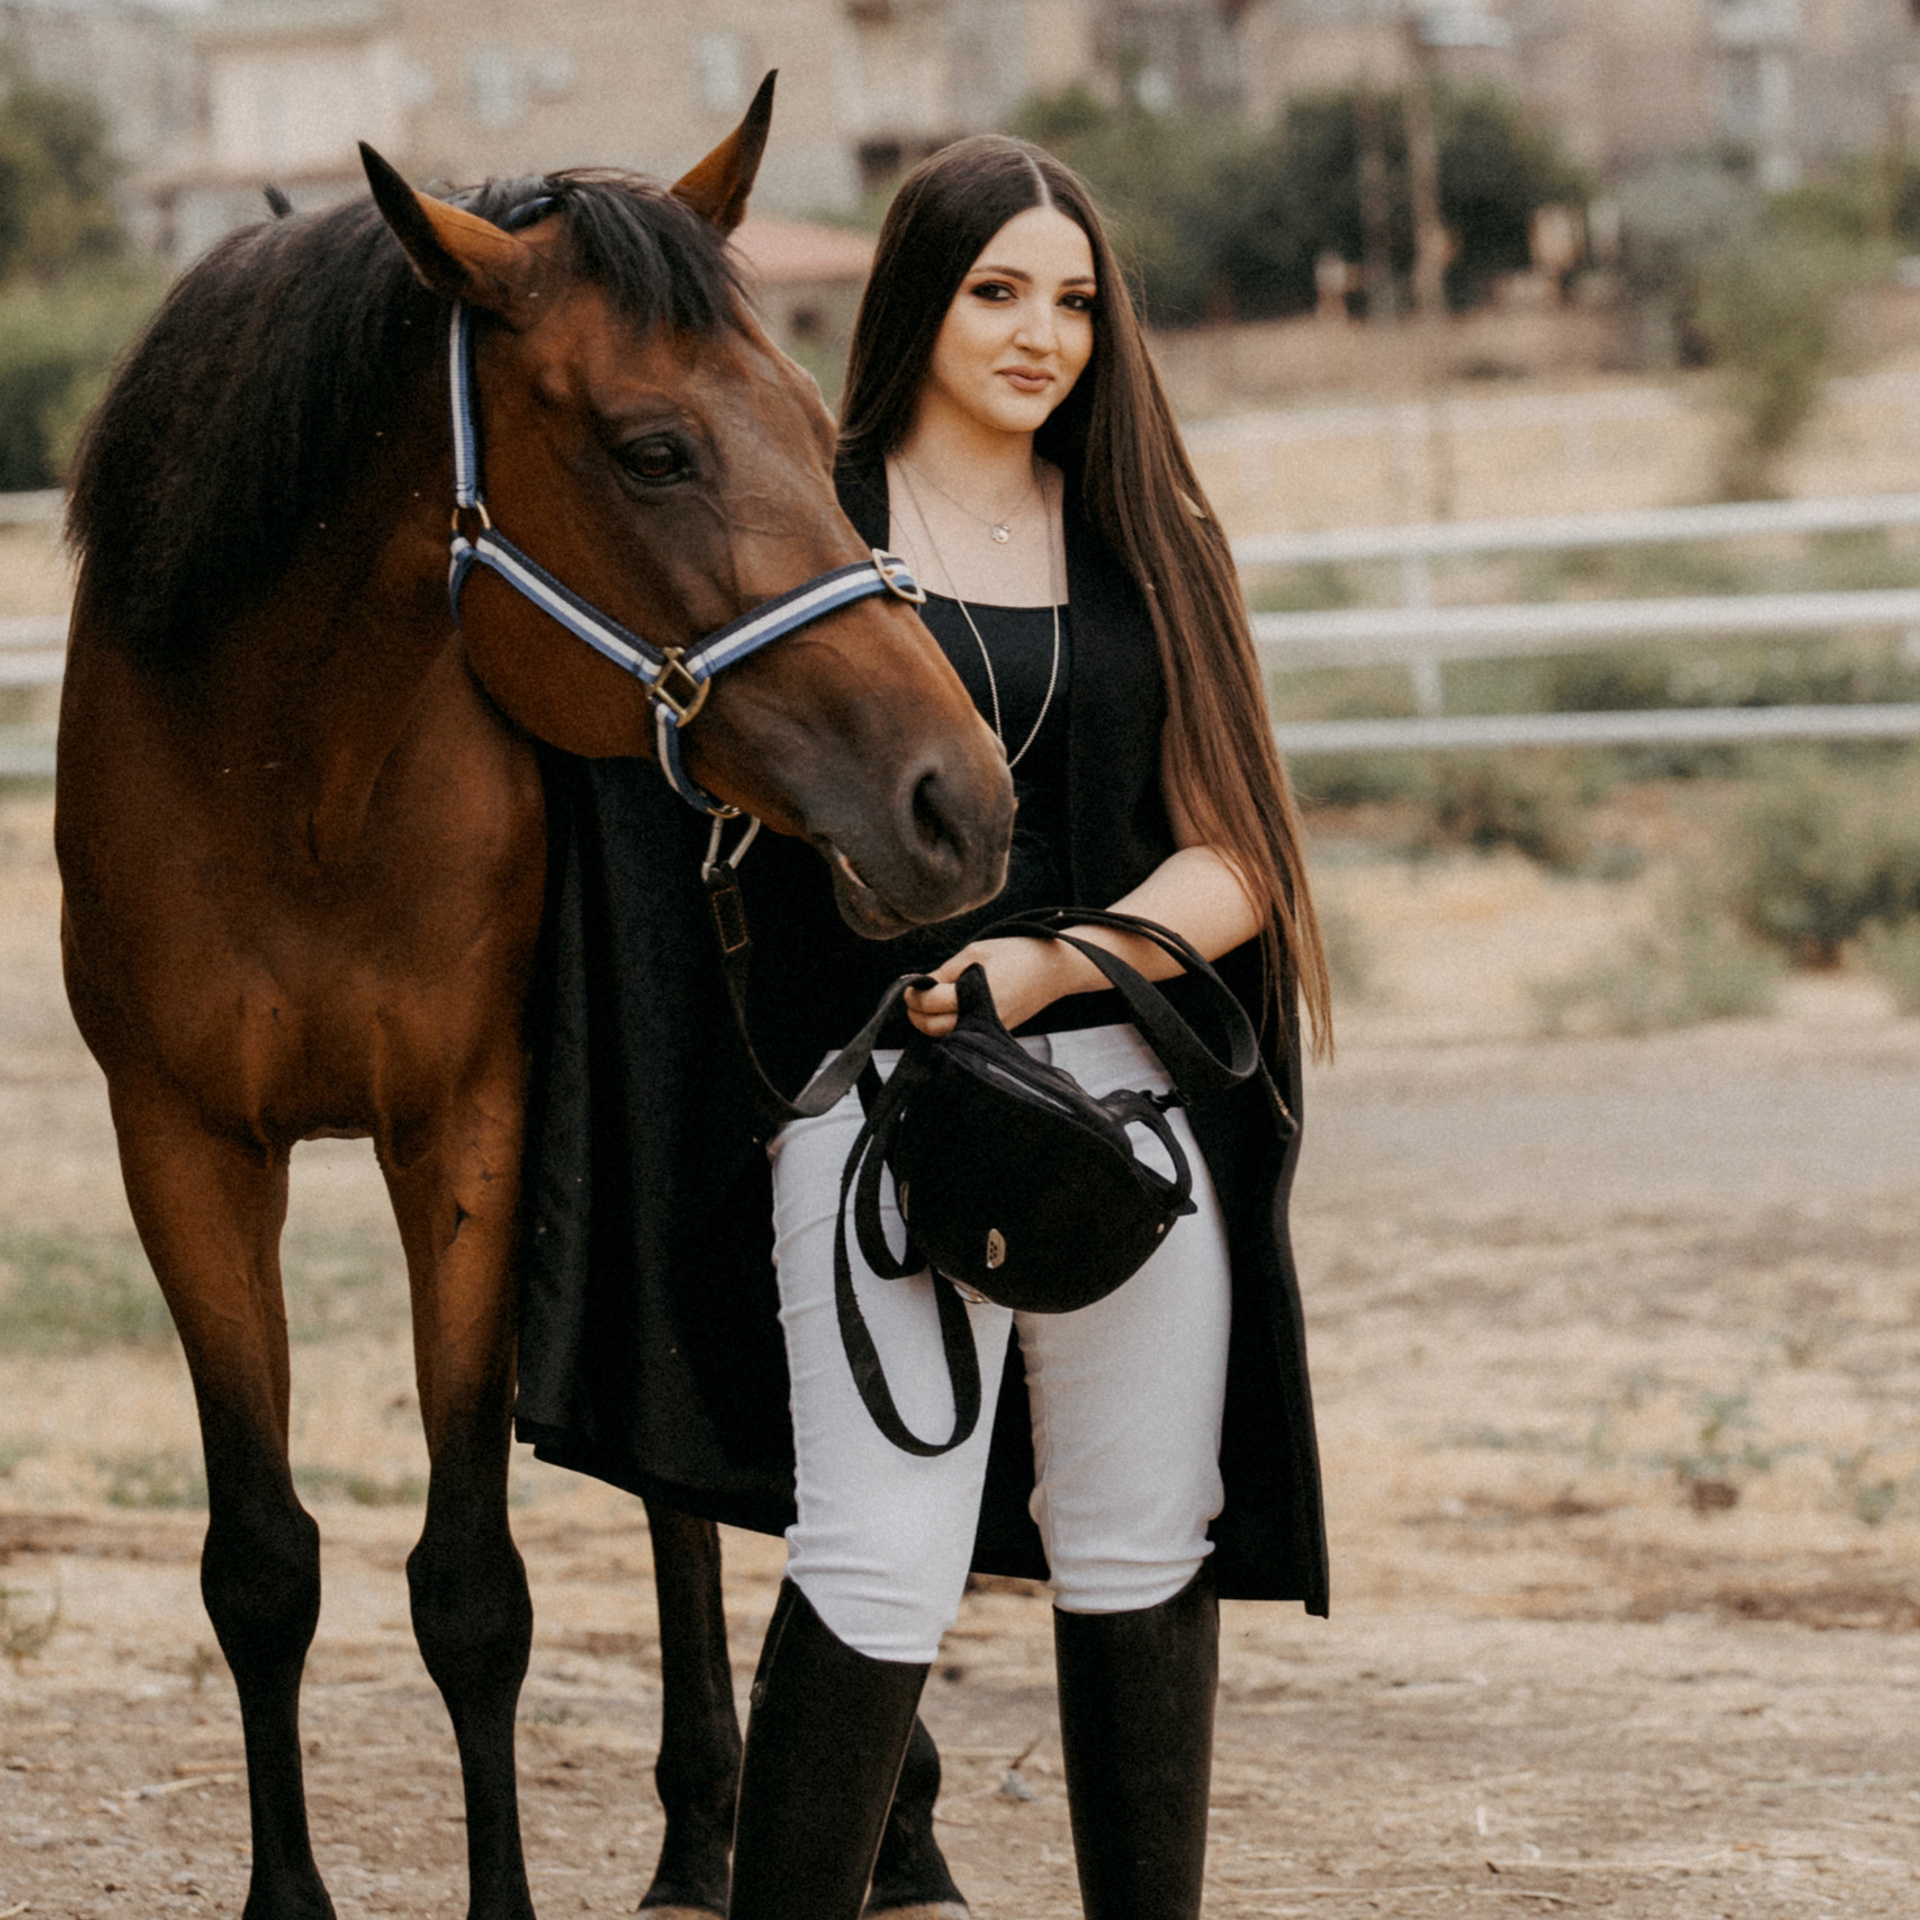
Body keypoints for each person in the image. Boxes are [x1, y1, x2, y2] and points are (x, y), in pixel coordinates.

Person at [715, 135, 1335, 1920]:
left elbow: (1241, 856)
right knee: (882, 1553)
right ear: (921, 298)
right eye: (998, 290)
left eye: (1073, 298)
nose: (1040, 331)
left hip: (1125, 1113)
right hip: (872, 1114)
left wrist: (1060, 966)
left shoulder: (1154, 535)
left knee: (1145, 1544)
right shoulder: (807, 524)